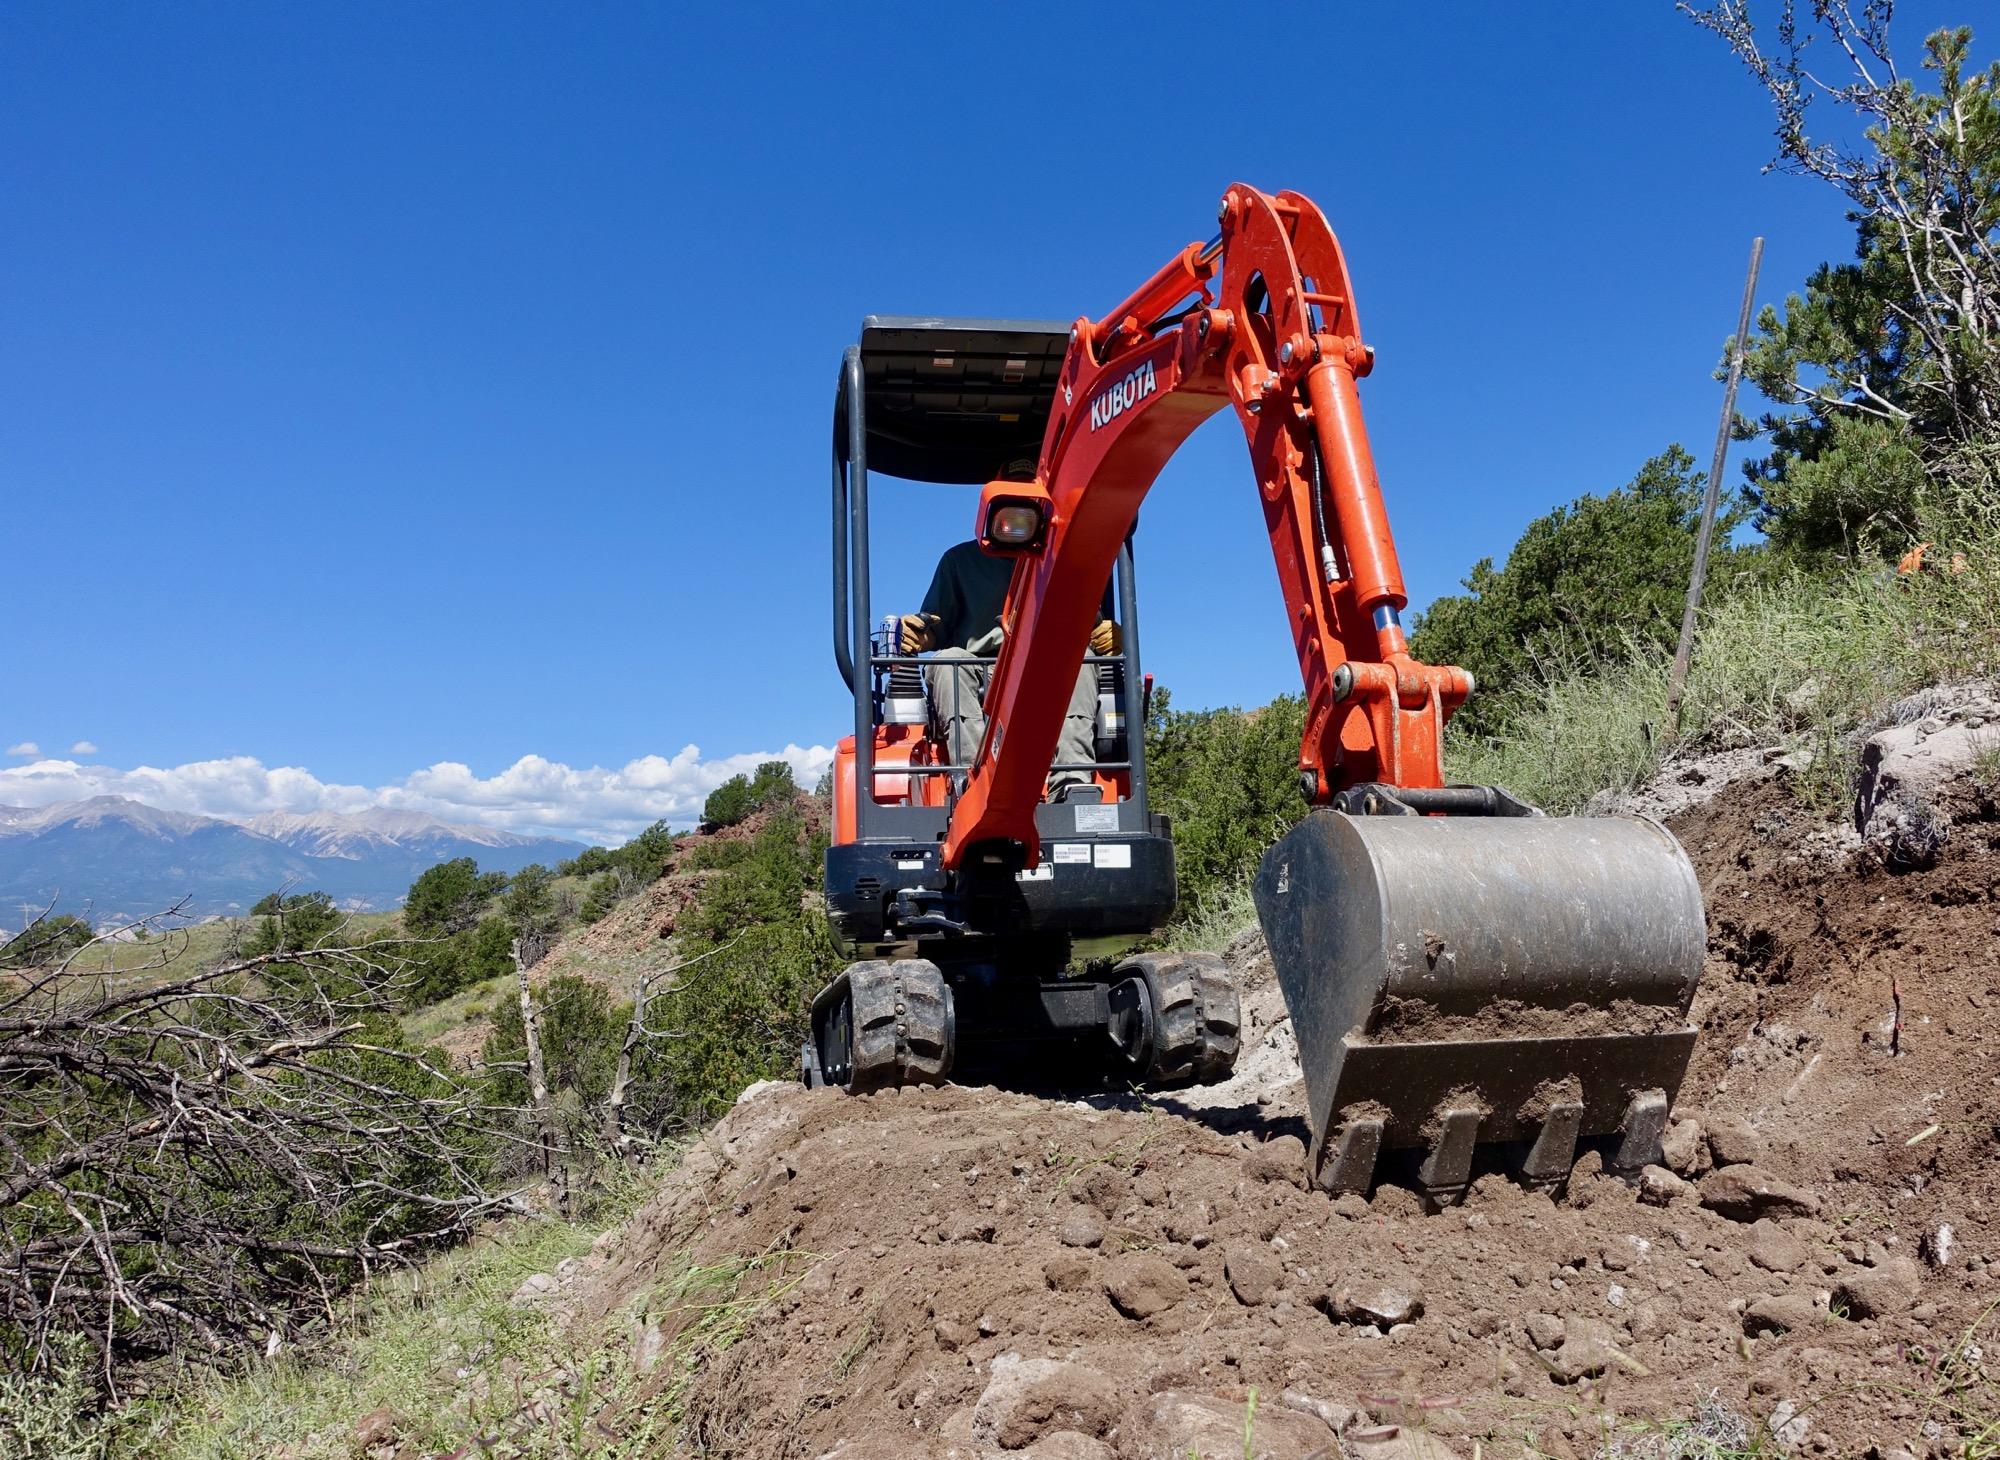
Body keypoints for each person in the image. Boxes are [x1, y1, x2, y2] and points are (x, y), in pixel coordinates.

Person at [900, 533, 1120, 800]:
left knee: (1082, 658)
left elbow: (1088, 621)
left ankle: (1070, 782)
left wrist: (1107, 632)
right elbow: (936, 627)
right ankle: (976, 782)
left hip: (1047, 669)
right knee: (948, 662)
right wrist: (917, 635)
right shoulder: (959, 560)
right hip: (982, 670)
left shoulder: (1065, 560)